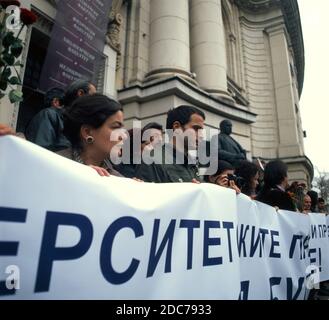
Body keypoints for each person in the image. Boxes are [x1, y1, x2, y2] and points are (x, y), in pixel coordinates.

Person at [58, 94, 126, 177]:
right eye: (116, 127)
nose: (124, 136)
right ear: (87, 132)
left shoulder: (117, 179)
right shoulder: (53, 165)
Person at [135, 105, 205, 183]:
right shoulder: (151, 160)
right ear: (177, 127)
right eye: (196, 129)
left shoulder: (192, 164)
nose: (201, 135)